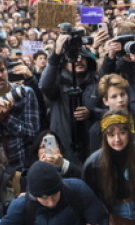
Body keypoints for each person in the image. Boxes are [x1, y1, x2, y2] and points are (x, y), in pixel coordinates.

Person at [40, 32, 100, 166]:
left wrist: (91, 113)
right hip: (64, 146)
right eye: (73, 58)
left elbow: (107, 111)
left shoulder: (97, 82)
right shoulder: (57, 84)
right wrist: (56, 55)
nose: (78, 60)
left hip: (92, 148)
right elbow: (44, 86)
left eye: (83, 57)